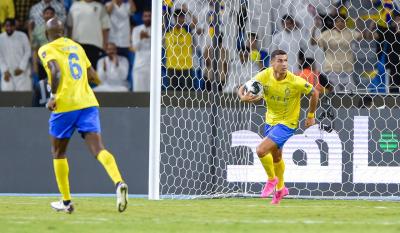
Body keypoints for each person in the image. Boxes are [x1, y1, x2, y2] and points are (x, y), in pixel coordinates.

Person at [38, 18, 128, 213]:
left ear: (47, 34)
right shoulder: (77, 47)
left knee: (58, 153)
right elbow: (92, 75)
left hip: (64, 105)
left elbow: (55, 70)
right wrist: (90, 83)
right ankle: (118, 182)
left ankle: (66, 202)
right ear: (64, 31)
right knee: (98, 149)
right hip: (88, 103)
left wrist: (53, 96)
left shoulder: (46, 49)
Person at [237, 50, 319, 204]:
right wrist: (243, 97)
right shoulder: (265, 75)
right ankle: (281, 189)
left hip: (288, 123)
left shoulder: (295, 81)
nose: (284, 64)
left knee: (261, 150)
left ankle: (271, 180)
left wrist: (310, 116)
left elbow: (315, 93)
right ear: (272, 63)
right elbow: (243, 88)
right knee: (277, 157)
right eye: (280, 61)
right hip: (271, 121)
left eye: (286, 61)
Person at [0, 18, 32, 91]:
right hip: (7, 73)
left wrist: (21, 68)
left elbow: (28, 51)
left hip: (22, 73)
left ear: (14, 26)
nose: (9, 28)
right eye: (7, 26)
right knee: (7, 98)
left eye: (11, 26)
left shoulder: (22, 36)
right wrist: (4, 70)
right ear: (4, 27)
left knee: (23, 98)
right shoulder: (1, 38)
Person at [131, 8, 151, 92]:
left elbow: (162, 45)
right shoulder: (136, 30)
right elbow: (135, 48)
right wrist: (141, 38)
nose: (147, 18)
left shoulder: (157, 30)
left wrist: (149, 37)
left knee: (151, 90)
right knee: (138, 89)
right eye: (145, 16)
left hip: (151, 64)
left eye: (149, 16)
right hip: (139, 64)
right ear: (142, 18)